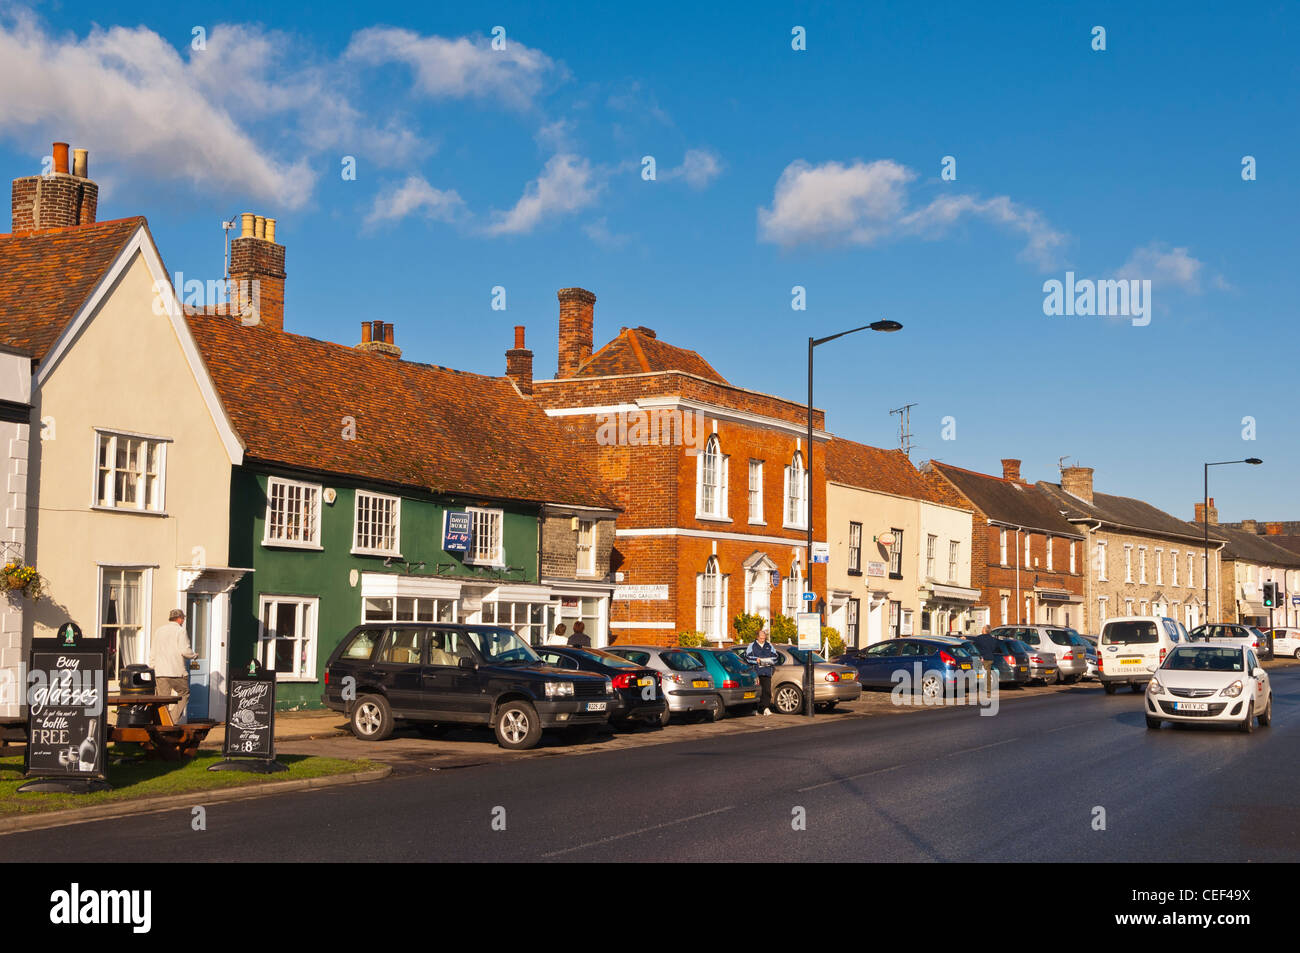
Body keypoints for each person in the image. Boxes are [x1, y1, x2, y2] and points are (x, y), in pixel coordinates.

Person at [150, 609, 196, 724]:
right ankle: (172, 720)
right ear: (180, 618)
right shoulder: (180, 631)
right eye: (183, 619)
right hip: (176, 672)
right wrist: (194, 655)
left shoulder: (159, 631)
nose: (183, 621)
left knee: (162, 700)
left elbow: (153, 650)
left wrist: (153, 666)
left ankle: (161, 722)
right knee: (184, 693)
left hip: (160, 672)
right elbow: (185, 651)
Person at [744, 626, 779, 715]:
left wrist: (768, 660)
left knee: (766, 690)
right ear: (757, 637)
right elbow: (747, 657)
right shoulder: (752, 646)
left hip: (767, 671)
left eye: (764, 638)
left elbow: (776, 657)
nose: (763, 640)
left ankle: (765, 708)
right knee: (756, 691)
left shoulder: (769, 645)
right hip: (756, 672)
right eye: (761, 638)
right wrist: (757, 660)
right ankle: (755, 708)